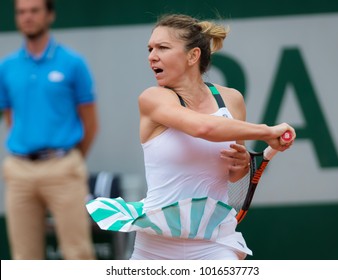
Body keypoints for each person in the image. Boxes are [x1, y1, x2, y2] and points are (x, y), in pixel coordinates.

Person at [86, 14, 295, 260]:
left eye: (163, 48)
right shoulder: (153, 98)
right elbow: (203, 129)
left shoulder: (231, 100)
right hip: (155, 248)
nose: (152, 56)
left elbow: (235, 173)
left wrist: (239, 166)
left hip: (215, 243)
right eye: (150, 48)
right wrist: (268, 132)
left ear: (192, 56)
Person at [0, 0, 98, 260]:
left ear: (49, 15)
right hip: (19, 170)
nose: (27, 17)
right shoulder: (7, 66)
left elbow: (90, 121)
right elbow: (10, 117)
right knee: (24, 258)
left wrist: (70, 158)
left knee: (78, 254)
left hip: (62, 166)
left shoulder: (73, 62)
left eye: (34, 10)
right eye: (21, 12)